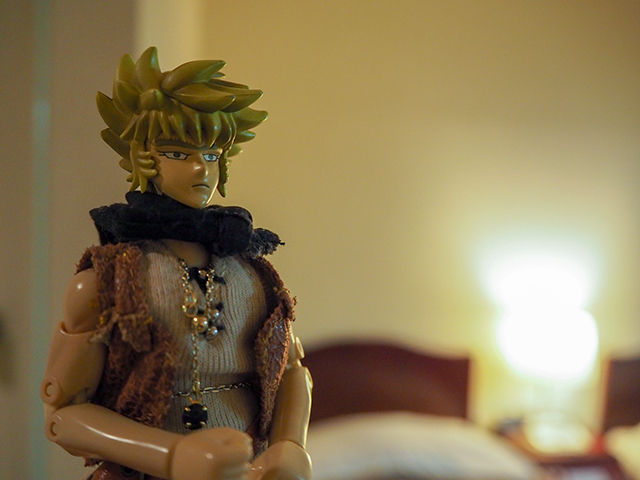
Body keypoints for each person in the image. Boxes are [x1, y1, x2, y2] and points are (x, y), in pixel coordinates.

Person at [40, 47, 312, 480]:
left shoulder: (255, 277)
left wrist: (289, 445)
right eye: (178, 154)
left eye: (211, 155)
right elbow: (64, 415)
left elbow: (293, 370)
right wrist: (171, 455)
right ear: (142, 157)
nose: (201, 169)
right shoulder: (109, 283)